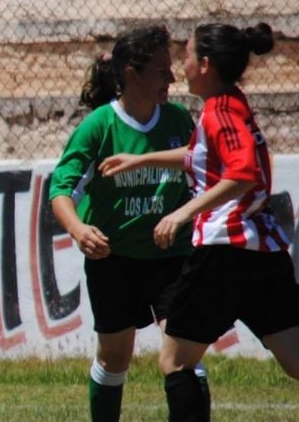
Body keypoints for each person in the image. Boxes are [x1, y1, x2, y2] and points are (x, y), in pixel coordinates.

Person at [99, 22, 299, 421]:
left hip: (225, 253)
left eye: (186, 56)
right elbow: (202, 157)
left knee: (175, 360)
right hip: (264, 251)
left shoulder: (220, 111)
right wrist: (141, 160)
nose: (179, 67)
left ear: (205, 64)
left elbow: (242, 174)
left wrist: (183, 212)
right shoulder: (230, 103)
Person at [48, 25, 209, 422]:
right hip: (114, 259)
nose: (171, 78)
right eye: (160, 70)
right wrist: (79, 230)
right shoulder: (100, 127)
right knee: (115, 357)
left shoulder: (176, 122)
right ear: (132, 74)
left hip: (171, 255)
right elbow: (60, 189)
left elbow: (204, 175)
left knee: (183, 352)